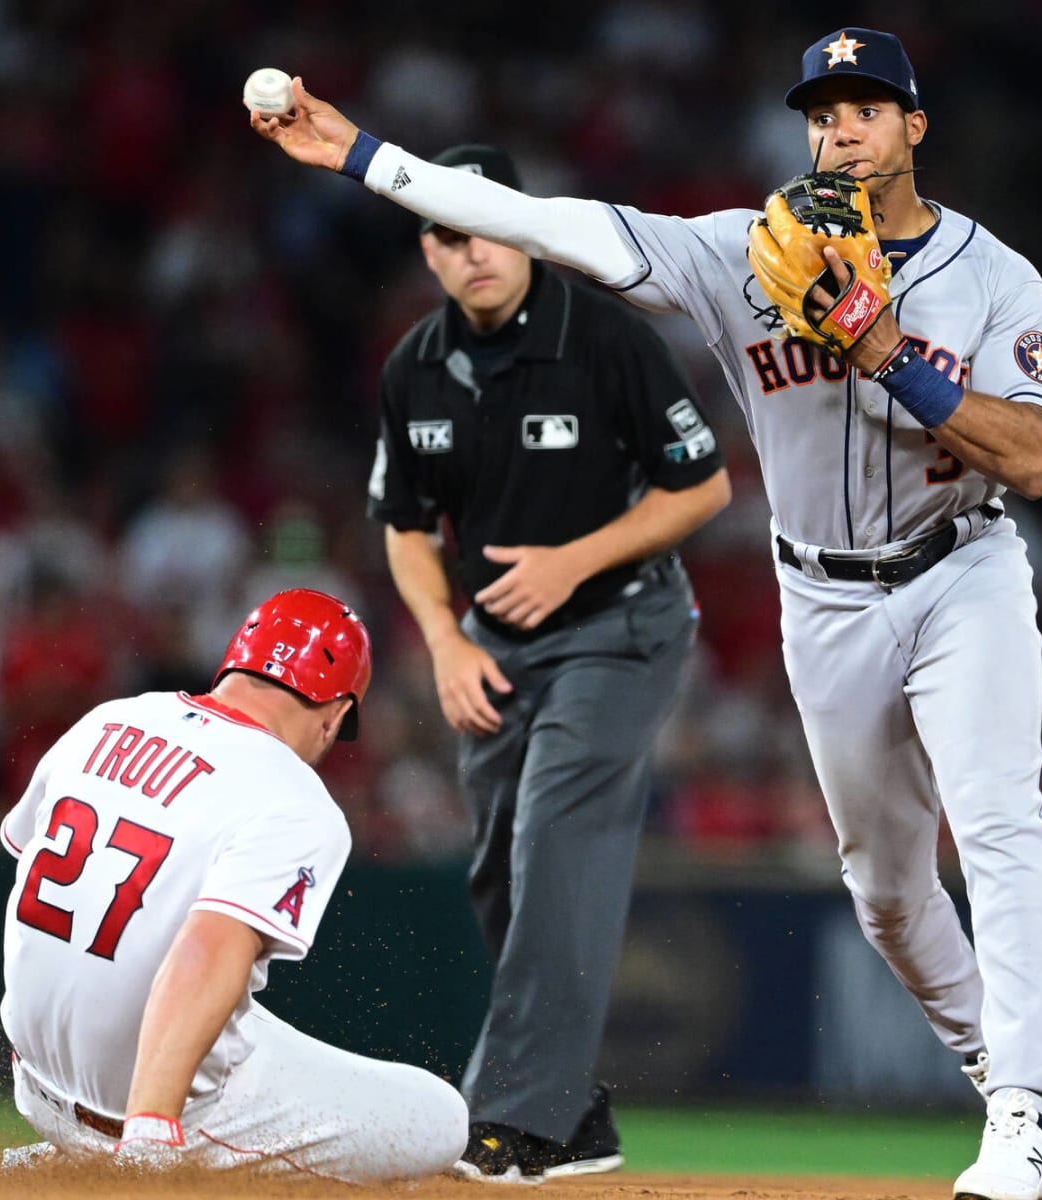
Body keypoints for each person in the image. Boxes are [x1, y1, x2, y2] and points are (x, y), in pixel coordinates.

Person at [254, 24, 1042, 1200]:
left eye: (864, 109)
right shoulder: (743, 255)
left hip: (962, 572)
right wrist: (368, 160)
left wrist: (884, 347)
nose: (837, 130)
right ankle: (998, 1066)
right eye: (820, 111)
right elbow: (553, 224)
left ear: (914, 128)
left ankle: (1027, 1109)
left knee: (999, 821)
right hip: (823, 596)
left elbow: (1034, 456)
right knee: (885, 892)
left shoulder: (993, 275)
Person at [369, 142, 732, 1182]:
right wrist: (441, 640)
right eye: (447, 230)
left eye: (488, 221)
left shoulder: (604, 337)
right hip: (492, 647)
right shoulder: (413, 367)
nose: (473, 248)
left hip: (621, 628)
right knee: (502, 870)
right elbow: (401, 523)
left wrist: (574, 559)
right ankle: (571, 1118)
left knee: (556, 838)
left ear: (525, 227)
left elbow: (698, 487)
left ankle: (513, 1117)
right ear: (429, 251)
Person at [0, 588, 468, 1182]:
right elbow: (207, 948)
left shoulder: (110, 718)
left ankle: (69, 1150)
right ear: (337, 713)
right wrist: (149, 1127)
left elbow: (25, 861)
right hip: (147, 1117)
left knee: (240, 1010)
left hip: (34, 1086)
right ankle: (132, 1144)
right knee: (438, 1116)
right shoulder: (294, 797)